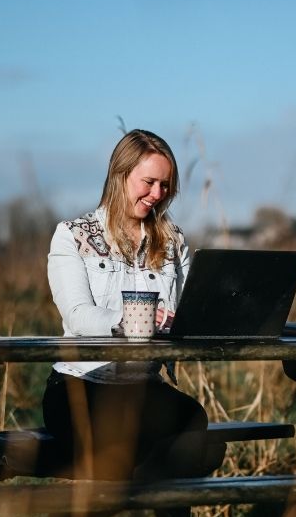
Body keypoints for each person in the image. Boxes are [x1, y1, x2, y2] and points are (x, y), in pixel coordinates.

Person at [43, 129, 221, 485]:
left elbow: (186, 312)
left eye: (166, 185)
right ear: (120, 175)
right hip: (82, 387)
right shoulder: (73, 235)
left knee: (195, 427)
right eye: (149, 182)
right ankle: (130, 506)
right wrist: (127, 322)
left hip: (142, 388)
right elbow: (77, 315)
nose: (158, 194)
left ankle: (133, 505)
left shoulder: (173, 242)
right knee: (149, 449)